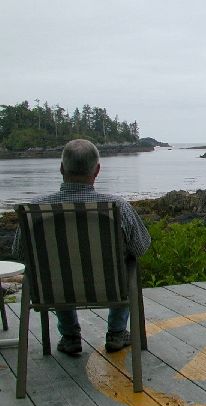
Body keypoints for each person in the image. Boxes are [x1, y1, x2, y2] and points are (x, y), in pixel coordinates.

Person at [12, 139, 151, 355]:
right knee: (127, 263)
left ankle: (69, 336)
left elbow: (20, 253)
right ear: (96, 170)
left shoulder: (34, 211)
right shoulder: (118, 208)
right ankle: (116, 332)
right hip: (110, 287)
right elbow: (141, 248)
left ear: (61, 168)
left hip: (54, 289)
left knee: (58, 266)